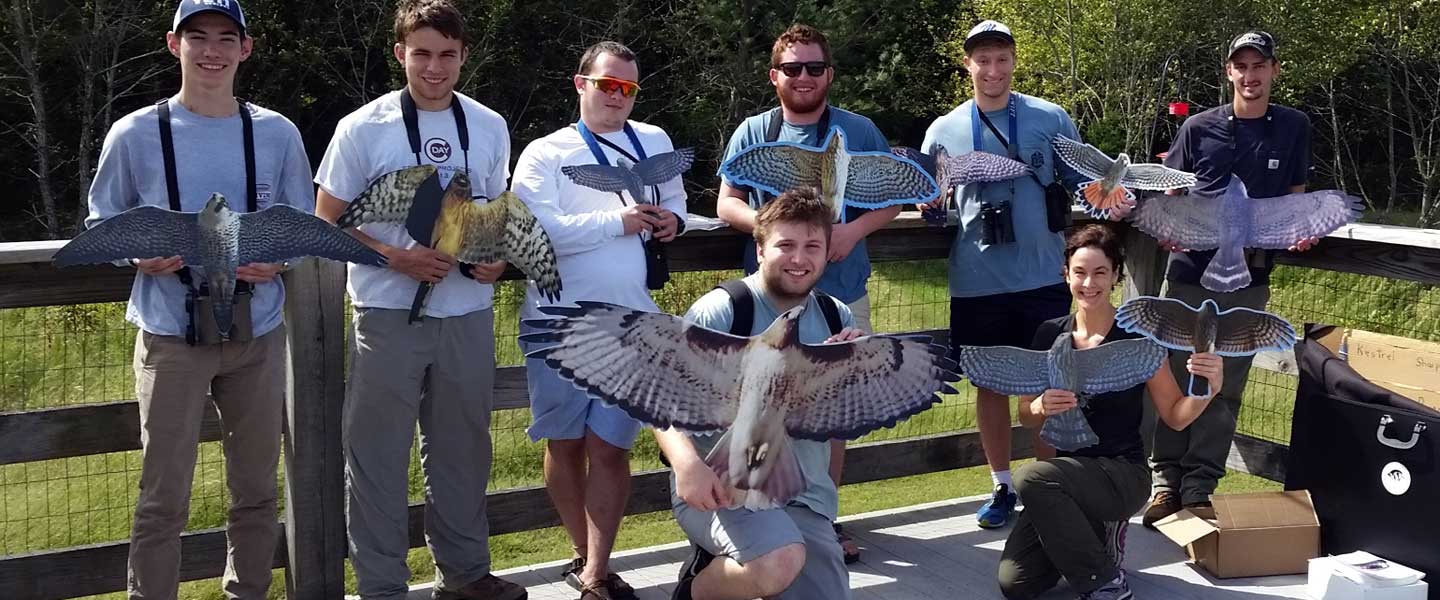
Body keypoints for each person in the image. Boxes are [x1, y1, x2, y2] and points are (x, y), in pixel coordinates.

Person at [82, 1, 311, 597]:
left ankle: (249, 592)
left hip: (257, 333)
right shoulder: (133, 132)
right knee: (163, 495)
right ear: (173, 43)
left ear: (246, 48)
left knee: (257, 490)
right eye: (198, 37)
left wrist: (278, 259)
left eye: (225, 38)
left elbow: (299, 224)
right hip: (169, 333)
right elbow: (101, 222)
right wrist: (136, 255)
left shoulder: (277, 132)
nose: (211, 51)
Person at [312, 1, 524, 598]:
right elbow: (325, 222)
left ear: (463, 57)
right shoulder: (362, 127)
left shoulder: (488, 124)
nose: (435, 67)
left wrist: (496, 259)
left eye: (448, 55)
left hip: (467, 314)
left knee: (463, 451)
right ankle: (382, 587)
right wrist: (395, 258)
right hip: (385, 316)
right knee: (377, 456)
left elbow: (493, 213)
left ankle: (464, 576)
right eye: (422, 53)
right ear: (400, 53)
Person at [511, 41, 688, 600]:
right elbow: (537, 232)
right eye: (608, 85)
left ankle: (595, 573)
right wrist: (619, 222)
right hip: (556, 324)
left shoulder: (653, 141)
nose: (618, 96)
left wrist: (671, 223)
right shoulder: (545, 153)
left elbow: (678, 199)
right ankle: (583, 554)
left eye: (628, 88)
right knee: (564, 445)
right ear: (580, 84)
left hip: (631, 326)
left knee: (610, 448)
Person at [715, 22, 896, 560]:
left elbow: (895, 196)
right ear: (775, 76)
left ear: (829, 74)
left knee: (829, 417)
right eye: (792, 68)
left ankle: (823, 520)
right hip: (767, 306)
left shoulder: (858, 130)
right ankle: (754, 522)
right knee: (758, 408)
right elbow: (726, 201)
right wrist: (772, 233)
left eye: (814, 67)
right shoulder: (754, 130)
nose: (803, 77)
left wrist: (852, 231)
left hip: (840, 294)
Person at [1134, 30, 1314, 527]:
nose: (1251, 75)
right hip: (1190, 274)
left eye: (1260, 66)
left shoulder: (1295, 127)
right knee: (1172, 374)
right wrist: (1169, 228)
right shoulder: (1197, 127)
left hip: (1250, 278)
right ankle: (1164, 483)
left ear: (1274, 70)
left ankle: (1199, 488)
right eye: (1242, 66)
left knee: (1224, 384)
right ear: (1229, 71)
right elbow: (1169, 192)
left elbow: (1295, 196)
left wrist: (1298, 231)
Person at [920, 19, 1088, 529]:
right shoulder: (942, 130)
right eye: (982, 59)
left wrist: (1116, 195)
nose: (992, 69)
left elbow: (1084, 181)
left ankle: (1047, 487)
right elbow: (932, 201)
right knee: (989, 387)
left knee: (1048, 385)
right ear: (967, 64)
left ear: (1014, 60)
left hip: (1042, 277)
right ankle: (1002, 485)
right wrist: (929, 205)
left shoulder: (1050, 117)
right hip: (977, 280)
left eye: (1001, 58)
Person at [997, 224, 1223, 600]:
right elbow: (1026, 414)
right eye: (1080, 272)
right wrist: (1038, 405)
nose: (1089, 283)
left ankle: (1104, 582)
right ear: (1066, 274)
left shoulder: (1138, 339)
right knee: (1016, 583)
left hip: (1122, 474)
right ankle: (1094, 537)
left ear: (1116, 275)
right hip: (1067, 479)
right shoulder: (1049, 334)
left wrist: (1207, 392)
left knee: (1031, 478)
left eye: (1100, 272)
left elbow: (1174, 415)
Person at [665, 188, 859, 600]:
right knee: (778, 561)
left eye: (812, 246)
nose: (799, 259)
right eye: (785, 245)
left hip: (804, 493)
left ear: (828, 252)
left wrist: (849, 370)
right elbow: (658, 397)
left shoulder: (835, 315)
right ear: (759, 249)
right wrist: (686, 466)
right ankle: (697, 591)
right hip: (725, 490)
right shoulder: (723, 311)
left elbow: (835, 425)